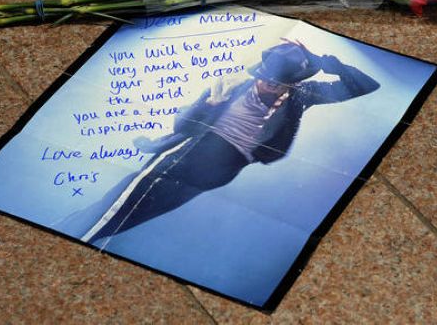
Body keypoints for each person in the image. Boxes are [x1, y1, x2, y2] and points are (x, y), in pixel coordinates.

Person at [59, 39, 379, 246]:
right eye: (266, 78)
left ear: (293, 82)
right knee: (112, 209)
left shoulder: (302, 96)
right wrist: (208, 105)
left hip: (216, 174)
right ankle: (65, 236)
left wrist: (322, 61)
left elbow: (366, 85)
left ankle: (67, 233)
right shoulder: (232, 85)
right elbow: (183, 126)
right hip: (184, 157)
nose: (269, 86)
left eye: (278, 82)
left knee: (126, 220)